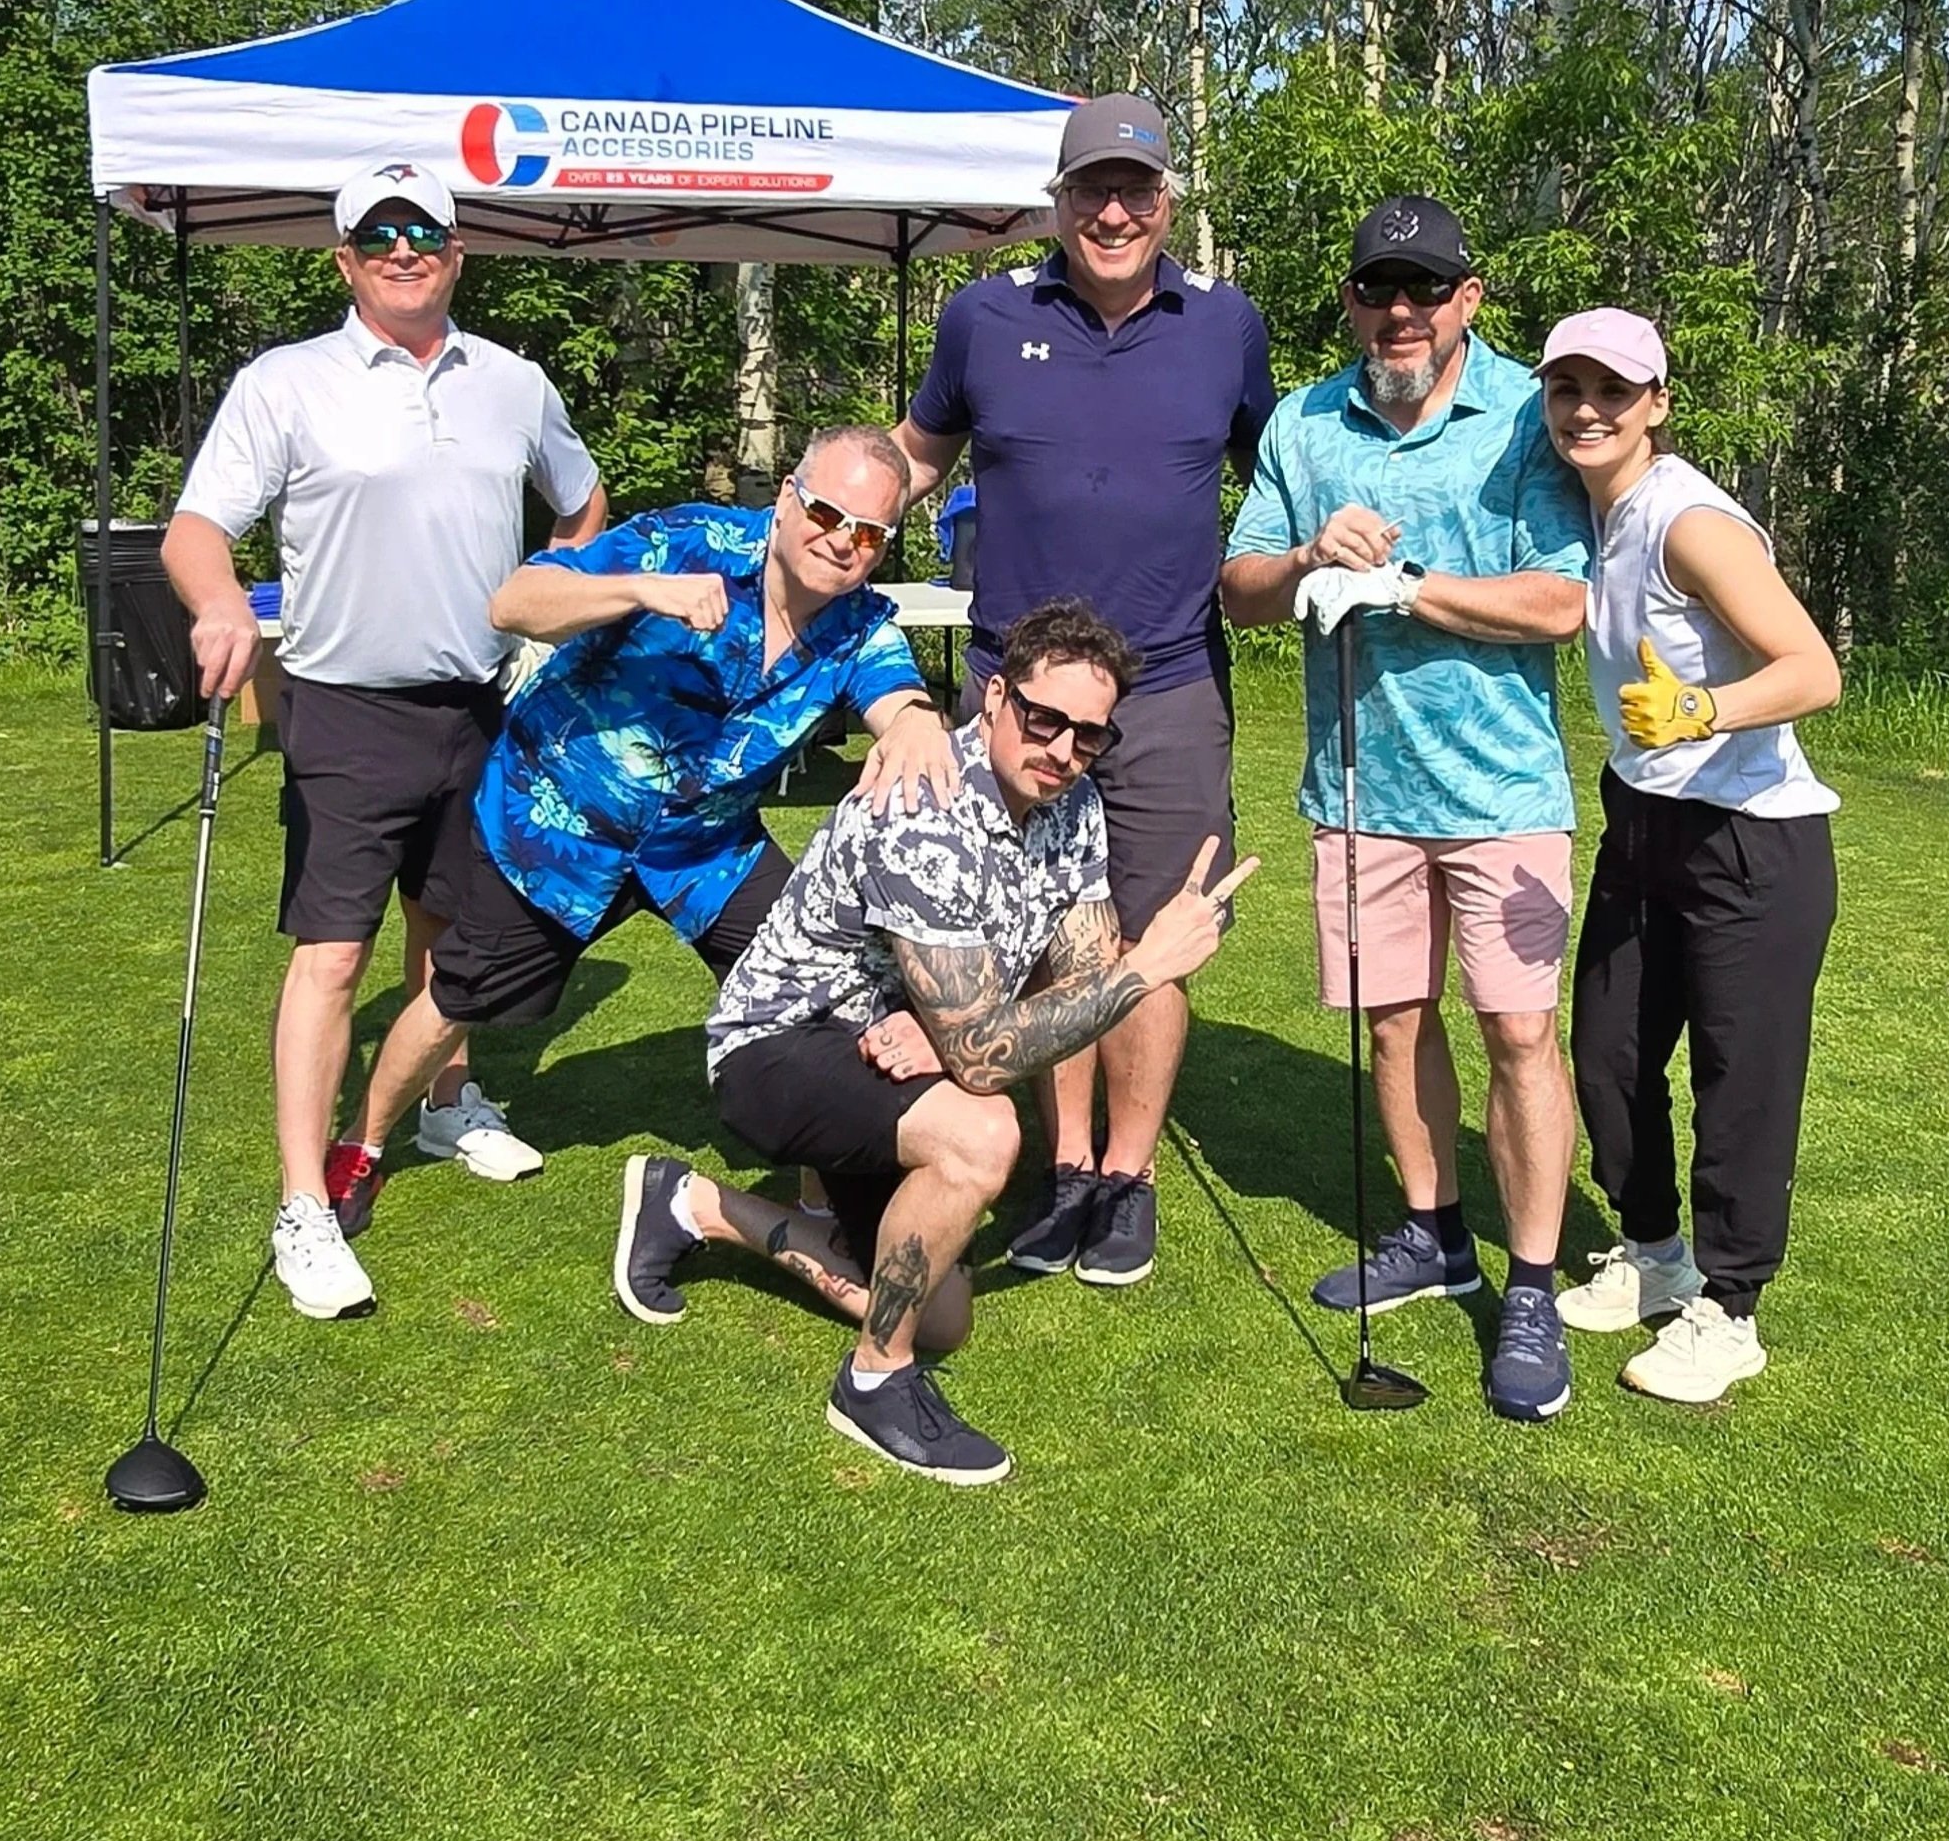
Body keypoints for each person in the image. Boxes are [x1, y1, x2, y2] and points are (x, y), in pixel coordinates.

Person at [614, 601, 1251, 1485]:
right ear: (994, 698)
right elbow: (994, 1052)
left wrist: (953, 1021)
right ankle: (874, 1381)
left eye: (1089, 735)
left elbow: (1075, 978)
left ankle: (692, 1205)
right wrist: (1139, 971)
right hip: (779, 1043)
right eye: (1043, 718)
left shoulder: (1074, 808)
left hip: (887, 1044)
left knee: (944, 1311)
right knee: (982, 1134)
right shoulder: (925, 806)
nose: (1063, 749)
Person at [334, 427, 959, 1308]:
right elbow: (514, 602)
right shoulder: (688, 541)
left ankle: (828, 1200)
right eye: (827, 512)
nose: (841, 540)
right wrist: (637, 590)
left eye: (868, 532)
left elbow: (898, 697)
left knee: (824, 984)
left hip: (704, 848)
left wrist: (919, 720)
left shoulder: (859, 626)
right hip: (566, 827)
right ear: (788, 497)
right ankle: (362, 1145)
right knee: (459, 994)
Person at [162, 158, 606, 1323]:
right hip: (344, 710)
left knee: (450, 928)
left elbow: (581, 500)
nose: (402, 250)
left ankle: (445, 1102)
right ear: (345, 260)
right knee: (332, 955)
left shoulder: (512, 383)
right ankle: (303, 1202)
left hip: (480, 703)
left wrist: (553, 596)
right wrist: (219, 600)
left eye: (423, 233)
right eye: (378, 235)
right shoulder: (286, 382)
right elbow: (196, 528)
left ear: (457, 254)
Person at [891, 94, 1275, 1290]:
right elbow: (913, 456)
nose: (1113, 213)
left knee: (1154, 934)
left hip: (1166, 688)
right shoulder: (982, 316)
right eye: (1090, 191)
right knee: (1040, 933)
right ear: (1055, 203)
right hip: (1014, 693)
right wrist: (820, 522)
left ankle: (1126, 1175)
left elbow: (1278, 480)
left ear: (1167, 202)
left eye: (1136, 192)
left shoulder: (1225, 326)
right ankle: (1063, 1169)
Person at [1220, 194, 1593, 1424]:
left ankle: (1528, 1287)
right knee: (1392, 1024)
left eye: (1425, 290)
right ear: (1349, 301)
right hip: (1358, 792)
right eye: (1378, 289)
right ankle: (1431, 1237)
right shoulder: (1302, 421)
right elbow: (1239, 590)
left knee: (1519, 1035)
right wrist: (1304, 561)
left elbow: (1559, 603)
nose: (1400, 311)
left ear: (1465, 300)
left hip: (1500, 792)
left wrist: (1406, 584)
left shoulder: (1524, 418)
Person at [1537, 308, 1841, 1404]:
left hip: (1749, 837)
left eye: (1612, 391)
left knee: (1738, 1081)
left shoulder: (1689, 521)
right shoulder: (1583, 506)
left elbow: (1812, 670)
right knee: (1608, 1053)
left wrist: (1701, 709)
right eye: (1567, 388)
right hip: (1643, 818)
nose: (1586, 410)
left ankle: (1730, 1307)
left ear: (1654, 404)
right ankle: (1654, 1253)